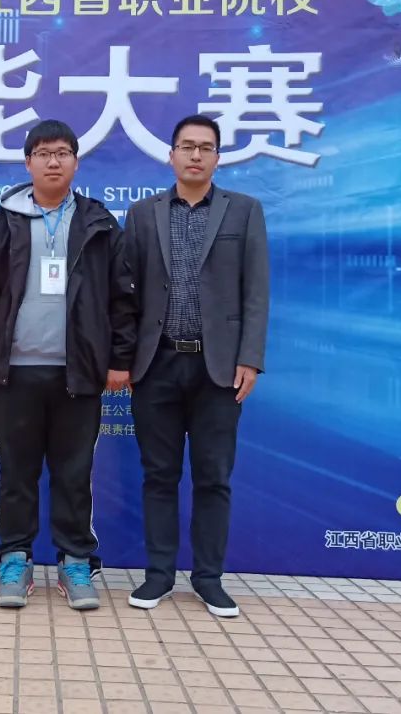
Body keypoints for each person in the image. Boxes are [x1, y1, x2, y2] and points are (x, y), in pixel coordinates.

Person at [0, 119, 135, 610]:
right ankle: (15, 559)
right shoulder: (1, 223)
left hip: (78, 372)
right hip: (15, 370)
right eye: (43, 154)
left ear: (76, 162)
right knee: (17, 473)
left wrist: (119, 358)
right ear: (28, 163)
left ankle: (76, 561)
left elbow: (122, 297)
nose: (53, 162)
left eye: (62, 153)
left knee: (74, 473)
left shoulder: (99, 222)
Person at [123, 114, 270, 617]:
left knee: (213, 477)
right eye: (187, 146)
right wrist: (125, 359)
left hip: (219, 367)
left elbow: (256, 291)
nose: (195, 155)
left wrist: (250, 357)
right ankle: (159, 575)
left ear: (217, 158)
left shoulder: (244, 211)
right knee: (158, 475)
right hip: (156, 364)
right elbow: (125, 293)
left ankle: (209, 578)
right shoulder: (143, 214)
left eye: (205, 147)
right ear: (171, 155)